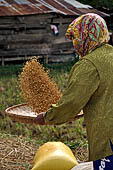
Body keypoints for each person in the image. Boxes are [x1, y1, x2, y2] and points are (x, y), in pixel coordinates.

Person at [33, 13, 113, 170]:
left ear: (86, 36)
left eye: (76, 37)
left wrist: (47, 117)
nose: (75, 43)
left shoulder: (89, 64)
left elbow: (71, 104)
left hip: (108, 143)